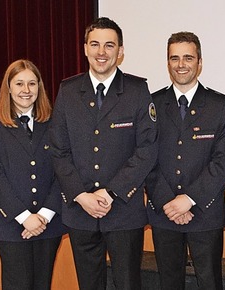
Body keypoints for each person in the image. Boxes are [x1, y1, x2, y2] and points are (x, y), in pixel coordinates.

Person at [49, 17, 158, 290]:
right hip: (80, 209)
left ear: (120, 51)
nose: (101, 52)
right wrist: (81, 195)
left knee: (127, 283)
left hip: (123, 209)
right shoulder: (68, 90)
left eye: (109, 45)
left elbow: (147, 148)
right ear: (85, 48)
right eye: (95, 44)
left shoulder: (137, 90)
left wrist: (110, 192)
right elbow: (58, 149)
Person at [145, 31, 225, 290]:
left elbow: (222, 159)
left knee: (209, 281)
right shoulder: (152, 103)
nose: (181, 64)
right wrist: (168, 202)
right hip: (165, 213)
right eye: (174, 58)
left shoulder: (220, 104)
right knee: (169, 282)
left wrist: (189, 199)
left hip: (205, 211)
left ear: (200, 62)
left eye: (188, 58)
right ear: (168, 63)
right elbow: (145, 156)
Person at [0, 59, 66, 290]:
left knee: (42, 284)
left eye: (32, 83)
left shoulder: (55, 123)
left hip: (47, 222)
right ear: (8, 87)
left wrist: (45, 215)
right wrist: (23, 216)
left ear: (39, 87)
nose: (26, 90)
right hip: (10, 223)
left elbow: (63, 170)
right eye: (19, 83)